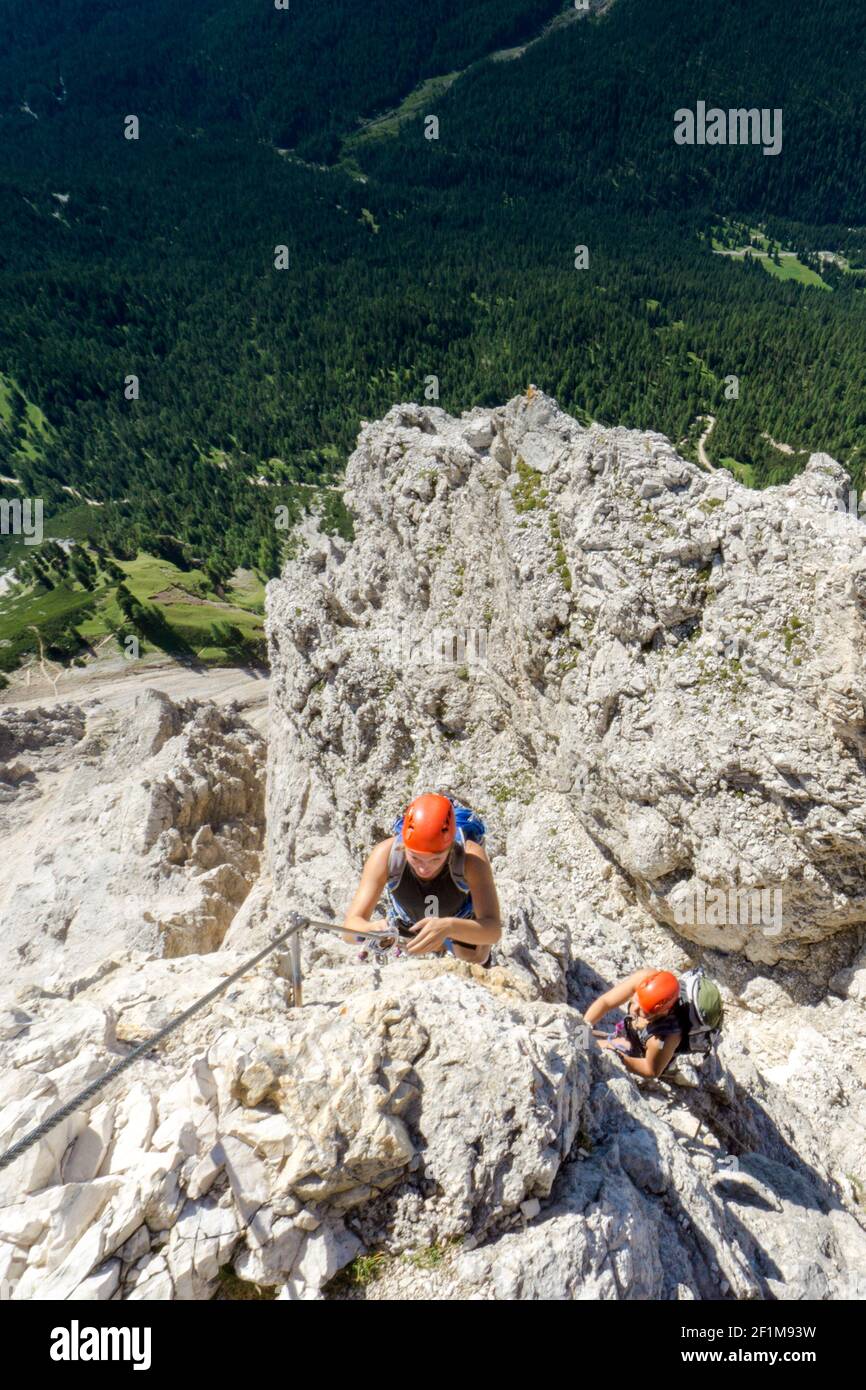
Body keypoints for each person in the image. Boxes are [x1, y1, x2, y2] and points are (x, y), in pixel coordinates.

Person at [342, 792, 502, 962]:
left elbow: (492, 931)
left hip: (459, 920)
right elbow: (349, 930)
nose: (423, 868)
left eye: (436, 859)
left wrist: (448, 927)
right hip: (407, 923)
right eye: (415, 857)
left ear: (450, 848)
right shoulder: (385, 854)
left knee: (474, 957)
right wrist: (370, 930)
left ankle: (447, 945)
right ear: (403, 845)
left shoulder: (470, 858)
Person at [583, 969, 684, 1078]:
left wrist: (619, 1057)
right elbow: (606, 1002)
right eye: (635, 1001)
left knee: (597, 1047)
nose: (634, 1009)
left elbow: (651, 1070)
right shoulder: (644, 979)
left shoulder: (664, 1037)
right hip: (632, 1032)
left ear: (663, 1012)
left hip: (645, 1053)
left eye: (644, 1012)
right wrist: (582, 1028)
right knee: (585, 1041)